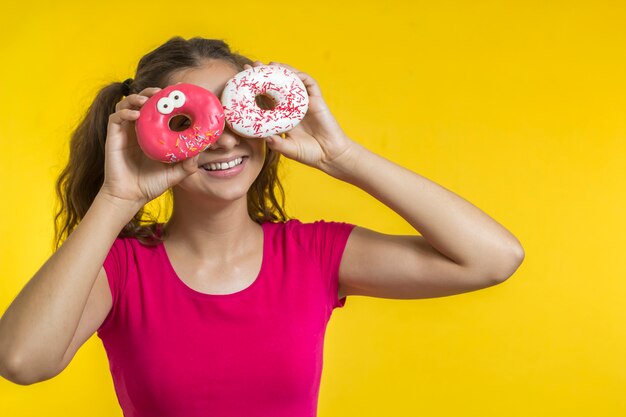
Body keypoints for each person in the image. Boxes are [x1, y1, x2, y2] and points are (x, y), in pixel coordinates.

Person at [0, 36, 525, 416]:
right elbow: (21, 360)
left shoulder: (313, 253)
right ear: (151, 135)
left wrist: (339, 155)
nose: (225, 140)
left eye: (237, 115)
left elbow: (493, 258)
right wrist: (119, 197)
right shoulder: (120, 269)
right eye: (193, 122)